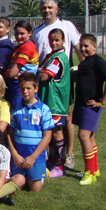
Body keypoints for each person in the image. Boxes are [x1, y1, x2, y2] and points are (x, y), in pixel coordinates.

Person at [32, 0, 83, 169]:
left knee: (66, 117)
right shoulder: (37, 31)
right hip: (43, 83)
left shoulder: (67, 26)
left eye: (50, 7)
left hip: (61, 83)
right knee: (45, 118)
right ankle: (48, 153)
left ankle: (68, 154)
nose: (47, 10)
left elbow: (78, 49)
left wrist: (85, 71)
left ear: (56, 9)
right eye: (44, 7)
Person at [73, 34, 106, 185]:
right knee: (89, 137)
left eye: (86, 46)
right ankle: (94, 169)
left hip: (91, 106)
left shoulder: (98, 61)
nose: (83, 49)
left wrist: (102, 102)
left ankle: (89, 172)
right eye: (81, 46)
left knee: (83, 136)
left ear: (94, 46)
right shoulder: (85, 62)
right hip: (81, 104)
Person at [8, 72, 54, 192]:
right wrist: (15, 155)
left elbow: (47, 137)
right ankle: (28, 175)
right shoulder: (16, 108)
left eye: (28, 88)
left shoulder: (44, 109)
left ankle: (41, 174)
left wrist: (33, 157)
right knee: (18, 185)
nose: (25, 91)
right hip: (19, 157)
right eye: (22, 88)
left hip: (35, 156)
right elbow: (10, 134)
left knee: (35, 189)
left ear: (36, 89)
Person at [37, 29, 71, 178]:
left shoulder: (59, 58)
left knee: (57, 132)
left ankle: (60, 165)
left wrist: (39, 70)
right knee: (50, 132)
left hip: (55, 102)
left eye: (57, 40)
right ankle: (52, 160)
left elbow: (44, 76)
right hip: (49, 101)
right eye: (52, 40)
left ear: (63, 41)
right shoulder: (52, 56)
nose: (54, 43)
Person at [5, 21, 39, 109]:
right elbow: (9, 72)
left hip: (22, 87)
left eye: (22, 34)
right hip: (16, 86)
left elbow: (11, 73)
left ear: (30, 33)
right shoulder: (18, 47)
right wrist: (8, 73)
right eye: (16, 33)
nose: (19, 37)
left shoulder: (28, 47)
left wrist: (9, 73)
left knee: (20, 113)